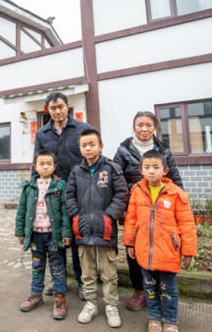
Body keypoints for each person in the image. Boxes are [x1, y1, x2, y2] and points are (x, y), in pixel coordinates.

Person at [113, 111, 183, 312]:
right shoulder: (124, 149)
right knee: (134, 249)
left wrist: (181, 204)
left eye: (148, 125)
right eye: (140, 125)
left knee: (162, 248)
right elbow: (115, 179)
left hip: (161, 210)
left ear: (155, 128)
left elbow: (175, 179)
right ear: (133, 127)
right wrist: (123, 205)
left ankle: (160, 291)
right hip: (134, 210)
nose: (144, 129)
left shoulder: (164, 150)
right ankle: (139, 291)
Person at [123, 149, 197, 332]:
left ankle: (170, 319)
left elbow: (187, 224)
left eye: (156, 167)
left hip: (168, 252)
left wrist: (188, 250)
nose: (151, 171)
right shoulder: (137, 191)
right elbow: (130, 219)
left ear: (165, 170)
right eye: (146, 167)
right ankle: (154, 317)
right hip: (144, 251)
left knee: (168, 289)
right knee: (149, 287)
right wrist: (130, 242)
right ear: (141, 170)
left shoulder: (176, 194)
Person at [65, 129, 129, 328]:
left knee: (109, 273)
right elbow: (69, 196)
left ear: (100, 146)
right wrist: (76, 216)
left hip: (105, 230)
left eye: (92, 144)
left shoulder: (112, 168)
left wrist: (109, 216)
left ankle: (111, 305)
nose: (88, 148)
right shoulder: (76, 171)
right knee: (88, 272)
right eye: (84, 145)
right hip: (83, 230)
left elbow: (121, 195)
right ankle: (91, 303)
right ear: (80, 149)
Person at [33, 92, 91, 299]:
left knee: (76, 238)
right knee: (54, 238)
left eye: (60, 107)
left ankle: (83, 281)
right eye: (52, 108)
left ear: (67, 106)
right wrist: (32, 190)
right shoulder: (42, 134)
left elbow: (90, 157)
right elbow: (37, 163)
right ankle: (57, 279)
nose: (57, 111)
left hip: (78, 192)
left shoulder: (82, 129)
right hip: (52, 195)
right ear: (47, 109)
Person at [15, 149, 72, 320]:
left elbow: (65, 212)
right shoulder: (29, 187)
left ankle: (60, 298)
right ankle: (36, 295)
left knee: (57, 267)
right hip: (35, 236)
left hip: (53, 236)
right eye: (42, 164)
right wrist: (20, 232)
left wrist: (66, 233)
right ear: (35, 166)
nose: (45, 167)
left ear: (54, 166)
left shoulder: (60, 186)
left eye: (49, 164)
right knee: (37, 266)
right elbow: (21, 210)